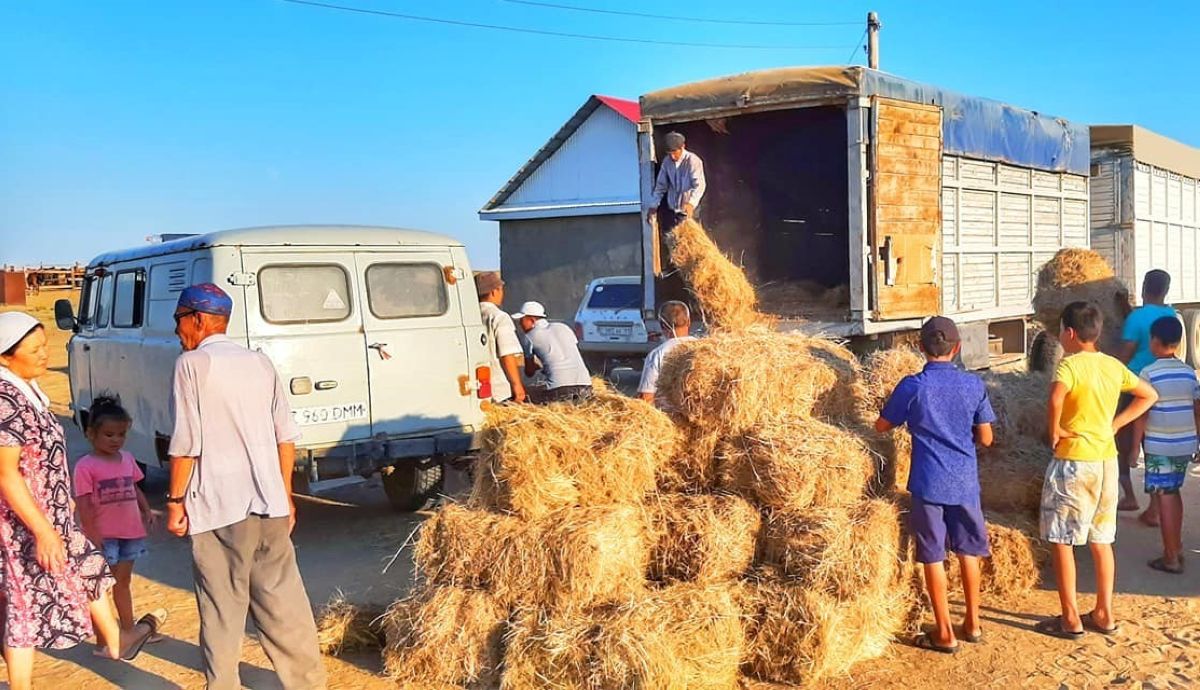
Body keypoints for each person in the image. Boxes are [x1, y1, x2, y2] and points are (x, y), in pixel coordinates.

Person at [165, 283, 326, 690]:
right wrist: (285, 495)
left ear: (197, 319)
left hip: (219, 505)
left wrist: (174, 500)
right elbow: (285, 436)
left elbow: (188, 442)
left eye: (179, 320)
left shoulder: (192, 365)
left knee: (222, 607)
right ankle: (307, 684)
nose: (177, 331)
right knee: (284, 605)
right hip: (269, 503)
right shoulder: (260, 362)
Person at [0, 312, 161, 690]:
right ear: (6, 357)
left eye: (44, 346)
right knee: (23, 602)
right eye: (35, 350)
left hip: (51, 516)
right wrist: (42, 531)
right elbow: (6, 473)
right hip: (23, 525)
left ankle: (117, 640)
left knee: (90, 570)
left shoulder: (28, 392)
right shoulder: (5, 401)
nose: (45, 355)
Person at [874, 317, 996, 654]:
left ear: (919, 347)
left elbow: (882, 426)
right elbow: (986, 438)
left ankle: (944, 632)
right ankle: (972, 622)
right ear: (957, 348)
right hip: (965, 483)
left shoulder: (912, 386)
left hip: (929, 484)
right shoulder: (973, 385)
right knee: (969, 551)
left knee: (933, 555)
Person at [1037, 301, 1157, 639]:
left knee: (1062, 540)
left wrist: (1055, 430)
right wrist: (1115, 424)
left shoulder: (1070, 365)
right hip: (1106, 462)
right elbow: (1148, 395)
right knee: (1102, 541)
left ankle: (1071, 617)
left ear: (1070, 334)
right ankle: (1104, 612)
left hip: (1075, 462)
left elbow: (1056, 397)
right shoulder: (1112, 366)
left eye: (1061, 330)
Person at [74, 394, 161, 647]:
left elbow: (134, 488)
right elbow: (84, 503)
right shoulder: (85, 467)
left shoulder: (128, 459)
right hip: (103, 536)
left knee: (123, 582)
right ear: (91, 433)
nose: (116, 440)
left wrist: (146, 510)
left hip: (130, 533)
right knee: (101, 588)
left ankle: (128, 630)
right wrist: (92, 535)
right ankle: (105, 640)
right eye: (109, 434)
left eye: (121, 434)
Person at [1127, 316, 1200, 574]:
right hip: (1184, 444)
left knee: (1165, 496)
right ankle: (1176, 547)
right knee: (1173, 492)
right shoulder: (1188, 372)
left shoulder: (1149, 373)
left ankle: (1170, 557)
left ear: (1154, 342)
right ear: (1179, 343)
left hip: (1160, 446)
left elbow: (1141, 414)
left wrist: (1135, 448)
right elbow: (1197, 408)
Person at [1116, 269, 1176, 513]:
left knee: (1123, 441)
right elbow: (1146, 324)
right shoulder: (1170, 315)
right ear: (1166, 290)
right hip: (1162, 386)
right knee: (1154, 443)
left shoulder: (1135, 319)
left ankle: (1129, 496)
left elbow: (1126, 353)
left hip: (1135, 386)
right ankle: (1154, 505)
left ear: (1143, 287)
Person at [513, 300, 593, 403]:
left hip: (558, 389)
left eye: (522, 320)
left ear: (532, 320)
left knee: (527, 397)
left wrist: (535, 366)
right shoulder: (564, 327)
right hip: (586, 385)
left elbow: (529, 373)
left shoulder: (529, 337)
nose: (520, 324)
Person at [475, 271, 526, 404]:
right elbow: (507, 355)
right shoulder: (499, 317)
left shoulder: (471, 316)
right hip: (499, 389)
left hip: (476, 387)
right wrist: (517, 385)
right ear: (494, 291)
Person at [638, 301, 696, 409]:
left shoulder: (657, 354)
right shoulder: (704, 349)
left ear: (662, 325)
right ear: (688, 322)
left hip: (669, 421)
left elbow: (645, 398)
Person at [646, 131, 706, 229]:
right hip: (673, 210)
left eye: (674, 152)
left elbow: (700, 185)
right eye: (669, 153)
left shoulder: (693, 160)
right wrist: (654, 205)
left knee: (691, 240)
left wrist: (691, 203)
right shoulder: (667, 162)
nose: (672, 156)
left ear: (682, 147)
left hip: (690, 211)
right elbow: (661, 186)